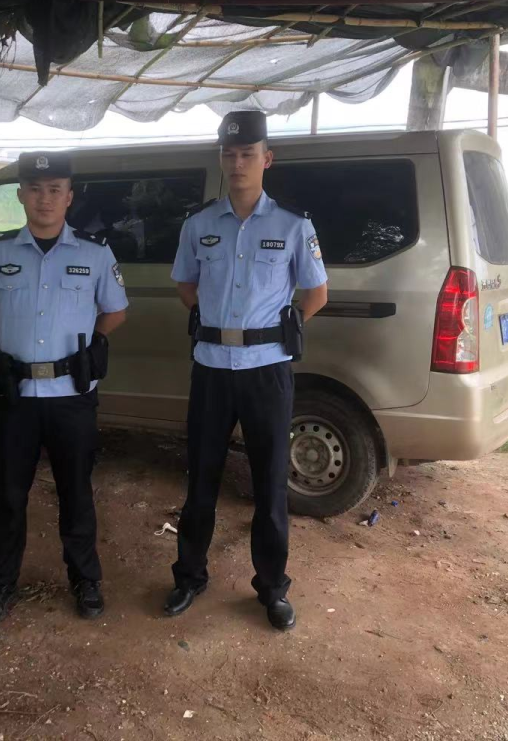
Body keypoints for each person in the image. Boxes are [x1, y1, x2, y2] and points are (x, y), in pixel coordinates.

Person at [166, 110, 329, 631]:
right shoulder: (199, 224)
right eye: (230, 154)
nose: (238, 163)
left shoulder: (294, 225)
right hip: (212, 368)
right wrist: (214, 322)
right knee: (201, 480)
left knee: (269, 485)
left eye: (248, 154)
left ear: (267, 159)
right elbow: (185, 284)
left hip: (267, 370)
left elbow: (316, 293)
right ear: (221, 159)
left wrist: (278, 329)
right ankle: (189, 576)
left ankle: (272, 589)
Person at [0, 151, 129, 627]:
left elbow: (116, 310)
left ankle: (85, 580)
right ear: (21, 196)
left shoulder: (95, 254)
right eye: (35, 190)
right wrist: (3, 343)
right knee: (8, 496)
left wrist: (91, 345)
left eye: (55, 190)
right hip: (15, 396)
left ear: (69, 197)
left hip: (71, 395)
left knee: (76, 492)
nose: (45, 199)